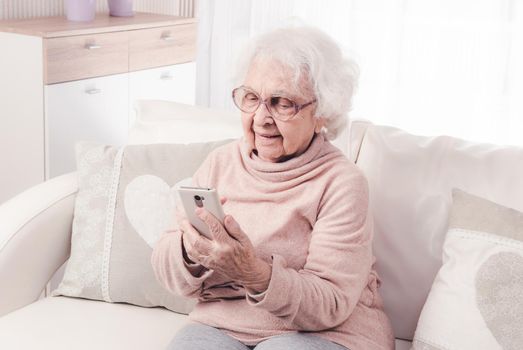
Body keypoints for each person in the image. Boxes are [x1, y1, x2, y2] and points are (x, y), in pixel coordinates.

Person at [151, 25, 394, 350]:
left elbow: (331, 303)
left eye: (282, 103)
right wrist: (190, 251)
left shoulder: (342, 183)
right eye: (252, 98)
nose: (261, 117)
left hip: (326, 332)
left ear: (321, 112)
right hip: (221, 324)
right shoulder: (219, 163)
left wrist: (254, 272)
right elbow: (166, 267)